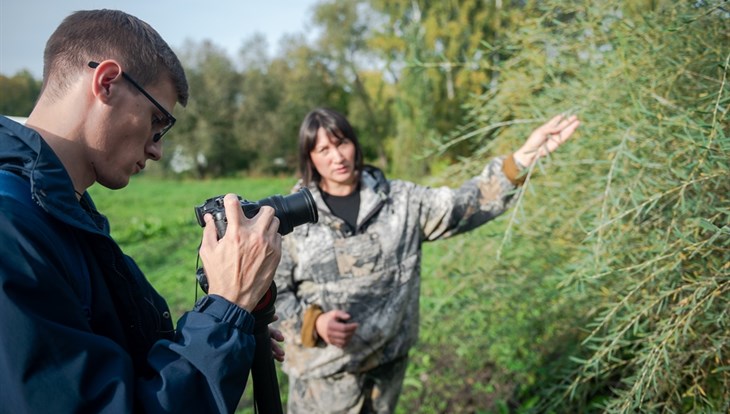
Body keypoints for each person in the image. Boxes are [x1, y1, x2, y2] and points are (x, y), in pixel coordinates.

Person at [0, 9, 283, 413]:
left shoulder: (59, 209)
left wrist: (230, 329)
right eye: (157, 121)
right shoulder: (10, 225)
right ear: (107, 82)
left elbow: (116, 356)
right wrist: (228, 307)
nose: (157, 149)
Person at [273, 107, 580, 413]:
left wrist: (523, 158)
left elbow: (464, 205)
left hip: (386, 367)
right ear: (309, 157)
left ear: (355, 144)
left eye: (342, 143)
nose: (336, 157)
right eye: (323, 149)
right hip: (323, 375)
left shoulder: (402, 200)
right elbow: (274, 290)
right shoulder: (294, 217)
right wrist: (314, 323)